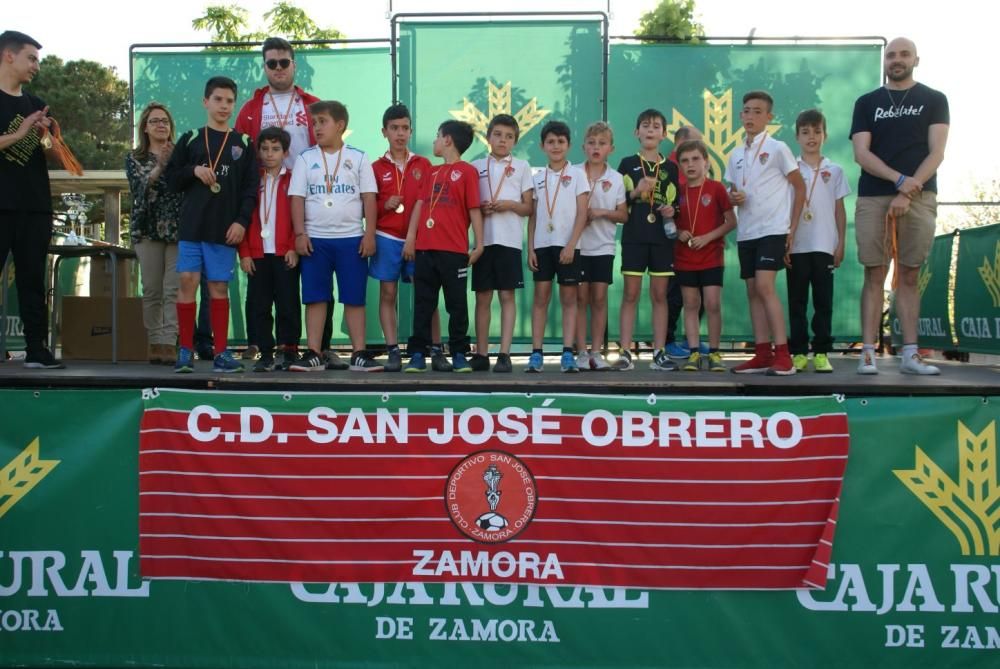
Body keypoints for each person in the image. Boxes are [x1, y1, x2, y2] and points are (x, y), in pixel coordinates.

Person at [850, 37, 948, 375]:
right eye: (891, 54)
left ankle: (910, 354)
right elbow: (861, 153)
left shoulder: (934, 99)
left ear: (916, 60)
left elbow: (937, 152)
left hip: (919, 195)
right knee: (874, 272)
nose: (897, 59)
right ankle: (867, 353)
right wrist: (897, 181)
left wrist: (909, 189)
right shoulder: (866, 102)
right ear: (884, 61)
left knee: (909, 274)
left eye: (904, 54)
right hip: (874, 194)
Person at [234, 36, 321, 362]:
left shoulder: (312, 105)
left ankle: (310, 347)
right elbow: (241, 155)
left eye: (284, 62)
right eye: (272, 63)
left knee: (298, 289)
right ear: (265, 66)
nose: (279, 68)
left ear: (294, 64)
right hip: (261, 195)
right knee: (259, 294)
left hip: (305, 199)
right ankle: (261, 346)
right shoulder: (252, 108)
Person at [165, 76, 257, 373]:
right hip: (192, 226)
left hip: (223, 229)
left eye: (229, 101)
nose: (224, 106)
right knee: (188, 283)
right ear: (206, 102)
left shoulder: (243, 143)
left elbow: (250, 189)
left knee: (218, 287)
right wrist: (193, 169)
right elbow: (171, 179)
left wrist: (241, 222)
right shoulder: (191, 138)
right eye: (218, 99)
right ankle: (184, 350)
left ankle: (220, 353)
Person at [287, 100, 380, 372]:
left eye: (323, 122)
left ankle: (359, 353)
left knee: (354, 297)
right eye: (314, 123)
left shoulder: (359, 158)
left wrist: (370, 234)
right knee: (315, 297)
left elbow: (369, 198)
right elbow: (297, 198)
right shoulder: (306, 158)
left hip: (352, 238)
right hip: (316, 239)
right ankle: (314, 352)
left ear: (340, 125)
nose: (317, 127)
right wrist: (300, 233)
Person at [725, 90, 806, 376]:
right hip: (747, 231)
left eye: (758, 111)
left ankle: (783, 355)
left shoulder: (778, 148)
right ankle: (762, 353)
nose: (750, 116)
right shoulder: (734, 155)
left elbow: (799, 187)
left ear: (769, 118)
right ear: (740, 115)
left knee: (764, 286)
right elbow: (733, 190)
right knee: (752, 291)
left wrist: (792, 229)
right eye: (746, 110)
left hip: (773, 229)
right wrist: (733, 197)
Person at [0, 30, 63, 369]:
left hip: (34, 205)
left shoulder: (36, 104)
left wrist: (47, 136)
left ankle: (36, 348)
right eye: (31, 58)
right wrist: (20, 132)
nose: (36, 66)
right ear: (8, 56)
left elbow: (56, 157)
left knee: (32, 279)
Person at [403, 120, 484, 373]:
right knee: (423, 303)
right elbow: (419, 205)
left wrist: (479, 244)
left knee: (457, 305)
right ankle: (417, 354)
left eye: (438, 136)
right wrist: (410, 238)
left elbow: (474, 209)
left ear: (448, 140)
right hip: (425, 248)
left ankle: (459, 353)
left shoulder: (468, 172)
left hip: (455, 251)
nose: (435, 141)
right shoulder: (430, 172)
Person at [369, 103, 438, 372]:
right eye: (394, 128)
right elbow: (366, 206)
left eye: (405, 128)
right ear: (384, 131)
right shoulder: (375, 167)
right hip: (386, 237)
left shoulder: (424, 164)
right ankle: (392, 349)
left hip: (419, 239)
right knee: (388, 292)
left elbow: (430, 204)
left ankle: (434, 347)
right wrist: (383, 205)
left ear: (411, 131)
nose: (400, 133)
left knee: (427, 295)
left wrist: (414, 237)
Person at [614, 109, 680, 371]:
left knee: (659, 295)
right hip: (634, 237)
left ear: (664, 134)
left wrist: (671, 210)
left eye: (656, 126)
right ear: (636, 132)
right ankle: (625, 352)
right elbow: (617, 203)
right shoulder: (627, 163)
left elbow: (677, 203)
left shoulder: (672, 168)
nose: (650, 130)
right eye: (645, 125)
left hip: (662, 239)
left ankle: (659, 352)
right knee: (630, 294)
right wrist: (635, 193)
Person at [470, 114, 534, 373]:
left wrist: (508, 205)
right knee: (482, 297)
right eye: (497, 134)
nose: (502, 140)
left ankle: (505, 354)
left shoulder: (522, 166)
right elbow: (468, 205)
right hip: (483, 241)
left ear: (515, 141)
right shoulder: (475, 167)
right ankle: (482, 353)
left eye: (509, 136)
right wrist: (479, 209)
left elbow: (529, 207)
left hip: (509, 241)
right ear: (488, 137)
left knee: (507, 295)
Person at [525, 120, 590, 373]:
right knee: (540, 297)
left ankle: (567, 353)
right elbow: (532, 216)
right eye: (551, 142)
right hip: (542, 245)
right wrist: (530, 248)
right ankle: (536, 353)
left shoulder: (577, 175)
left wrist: (571, 245)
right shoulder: (537, 177)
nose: (556, 146)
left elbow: (583, 213)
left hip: (568, 246)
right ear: (543, 146)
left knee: (569, 298)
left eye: (561, 141)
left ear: (569, 145)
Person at [788, 109, 849, 373]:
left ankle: (822, 352)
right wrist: (785, 240)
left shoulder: (834, 170)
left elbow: (839, 209)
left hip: (825, 245)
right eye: (805, 132)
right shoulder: (790, 169)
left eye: (816, 131)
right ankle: (799, 352)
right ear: (797, 137)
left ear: (825, 134)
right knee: (797, 301)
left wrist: (841, 242)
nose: (811, 137)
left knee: (823, 302)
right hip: (798, 245)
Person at [238, 126, 300, 372]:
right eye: (264, 149)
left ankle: (290, 351)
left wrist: (294, 246)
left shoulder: (294, 178)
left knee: (288, 303)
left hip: (285, 252)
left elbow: (301, 216)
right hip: (257, 252)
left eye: (275, 149)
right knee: (258, 304)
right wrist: (244, 252)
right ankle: (265, 352)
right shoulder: (252, 180)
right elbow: (242, 216)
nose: (269, 154)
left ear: (285, 152)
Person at [125, 101, 183, 365]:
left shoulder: (182, 155)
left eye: (165, 121)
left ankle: (170, 342)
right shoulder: (134, 158)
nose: (161, 125)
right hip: (147, 229)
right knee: (151, 289)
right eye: (155, 121)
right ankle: (154, 341)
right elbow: (139, 191)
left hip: (178, 230)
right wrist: (160, 165)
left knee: (173, 289)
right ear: (145, 128)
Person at [673, 139, 736, 372]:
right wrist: (679, 232)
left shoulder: (717, 188)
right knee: (690, 304)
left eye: (695, 159)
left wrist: (708, 238)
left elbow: (731, 222)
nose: (690, 164)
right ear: (679, 165)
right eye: (685, 161)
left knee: (712, 304)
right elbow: (670, 225)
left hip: (711, 256)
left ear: (706, 162)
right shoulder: (676, 192)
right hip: (684, 258)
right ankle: (694, 353)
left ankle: (715, 352)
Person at [575, 121, 627, 371]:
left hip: (603, 247)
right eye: (592, 143)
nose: (596, 147)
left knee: (599, 297)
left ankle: (596, 351)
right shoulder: (573, 173)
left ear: (611, 149)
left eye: (602, 143)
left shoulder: (616, 178)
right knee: (579, 298)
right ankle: (581, 352)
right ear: (584, 146)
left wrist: (601, 212)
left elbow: (623, 215)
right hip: (577, 246)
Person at [666, 124, 708, 359]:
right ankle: (668, 340)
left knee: (699, 293)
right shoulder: (669, 168)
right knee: (674, 292)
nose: (699, 148)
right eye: (696, 141)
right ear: (680, 142)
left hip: (699, 244)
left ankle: (690, 340)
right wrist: (677, 230)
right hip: (675, 242)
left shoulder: (697, 167)